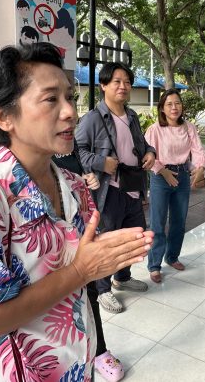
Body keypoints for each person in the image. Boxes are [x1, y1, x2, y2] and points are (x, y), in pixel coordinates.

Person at [0, 43, 153, 381]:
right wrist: (81, 270)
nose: (70, 112)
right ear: (3, 116)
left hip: (74, 365)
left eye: (70, 98)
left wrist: (104, 257)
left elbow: (77, 276)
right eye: (51, 99)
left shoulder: (74, 186)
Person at [76, 62, 156, 314]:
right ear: (103, 85)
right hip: (108, 192)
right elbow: (75, 151)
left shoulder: (131, 116)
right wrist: (101, 162)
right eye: (117, 82)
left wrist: (151, 153)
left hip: (132, 186)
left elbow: (142, 145)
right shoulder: (92, 119)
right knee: (109, 240)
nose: (123, 86)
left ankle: (122, 277)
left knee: (133, 236)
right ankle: (102, 290)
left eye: (127, 82)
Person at [53, 145, 125, 381]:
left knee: (89, 295)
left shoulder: (69, 145)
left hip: (79, 232)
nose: (69, 127)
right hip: (53, 246)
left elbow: (78, 172)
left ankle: (99, 352)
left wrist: (85, 180)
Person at [144, 88, 205, 283]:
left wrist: (200, 167)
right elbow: (147, 156)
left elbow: (198, 151)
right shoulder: (154, 130)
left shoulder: (189, 127)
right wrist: (162, 171)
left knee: (179, 221)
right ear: (162, 108)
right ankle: (154, 265)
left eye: (177, 103)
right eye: (169, 104)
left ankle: (172, 257)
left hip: (182, 175)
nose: (174, 107)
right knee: (158, 222)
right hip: (160, 176)